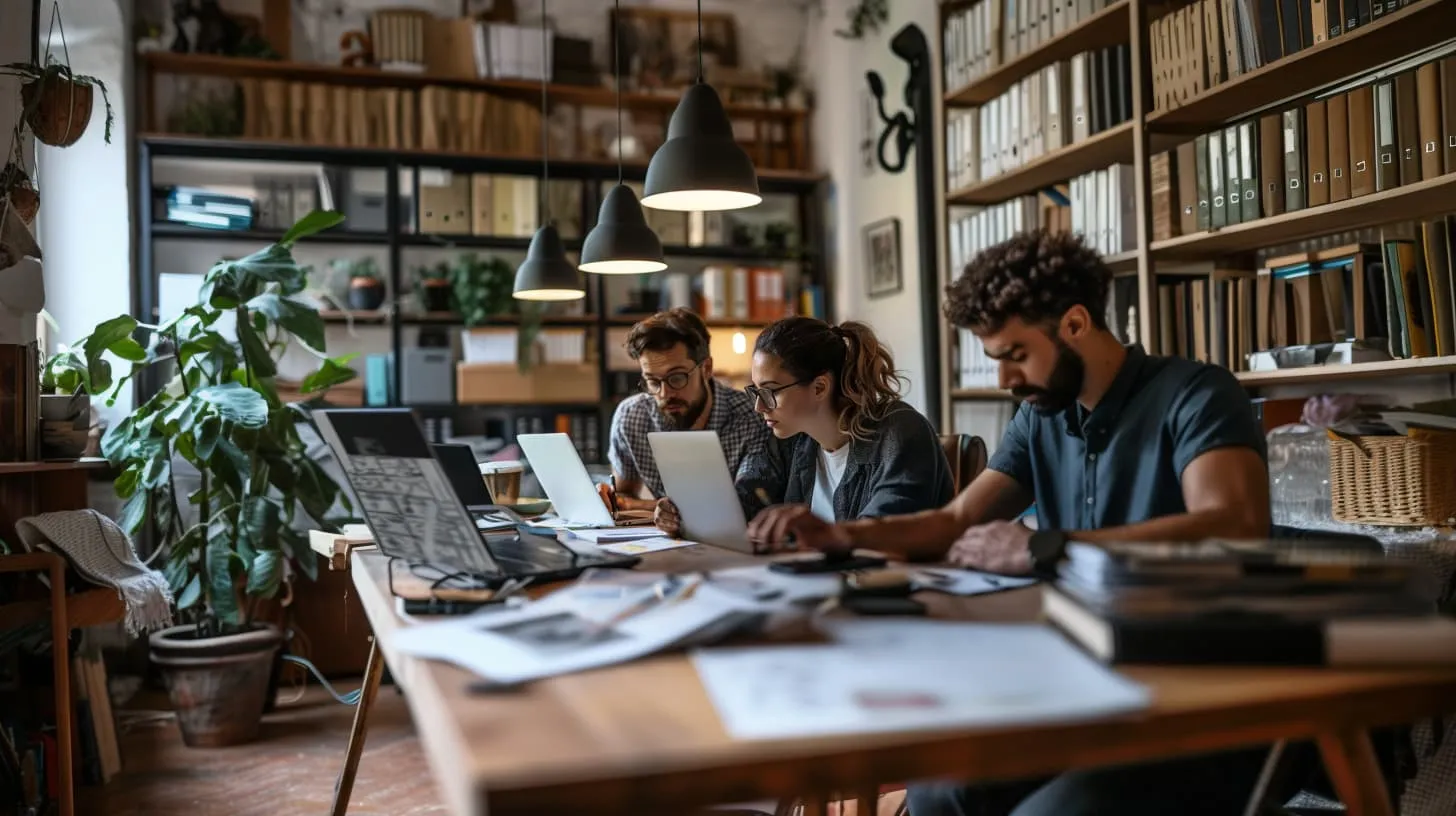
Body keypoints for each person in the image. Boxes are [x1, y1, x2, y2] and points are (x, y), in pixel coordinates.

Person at [752, 230, 1286, 816]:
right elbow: (955, 519)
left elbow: (1232, 523)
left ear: (1075, 324)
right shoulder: (1042, 417)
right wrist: (844, 535)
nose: (1005, 379)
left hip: (1192, 690)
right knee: (937, 794)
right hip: (1081, 673)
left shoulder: (1196, 393)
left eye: (1015, 355)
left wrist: (1045, 548)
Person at [656, 316, 953, 541]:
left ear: (820, 386)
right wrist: (685, 514)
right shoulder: (791, 438)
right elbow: (746, 501)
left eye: (771, 391)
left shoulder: (900, 431)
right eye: (756, 392)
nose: (760, 407)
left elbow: (883, 533)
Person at [605, 308, 768, 513]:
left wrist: (662, 508)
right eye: (652, 381)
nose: (664, 394)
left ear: (706, 369)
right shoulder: (631, 416)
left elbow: (749, 506)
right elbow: (622, 496)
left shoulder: (752, 416)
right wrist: (657, 507)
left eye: (677, 378)